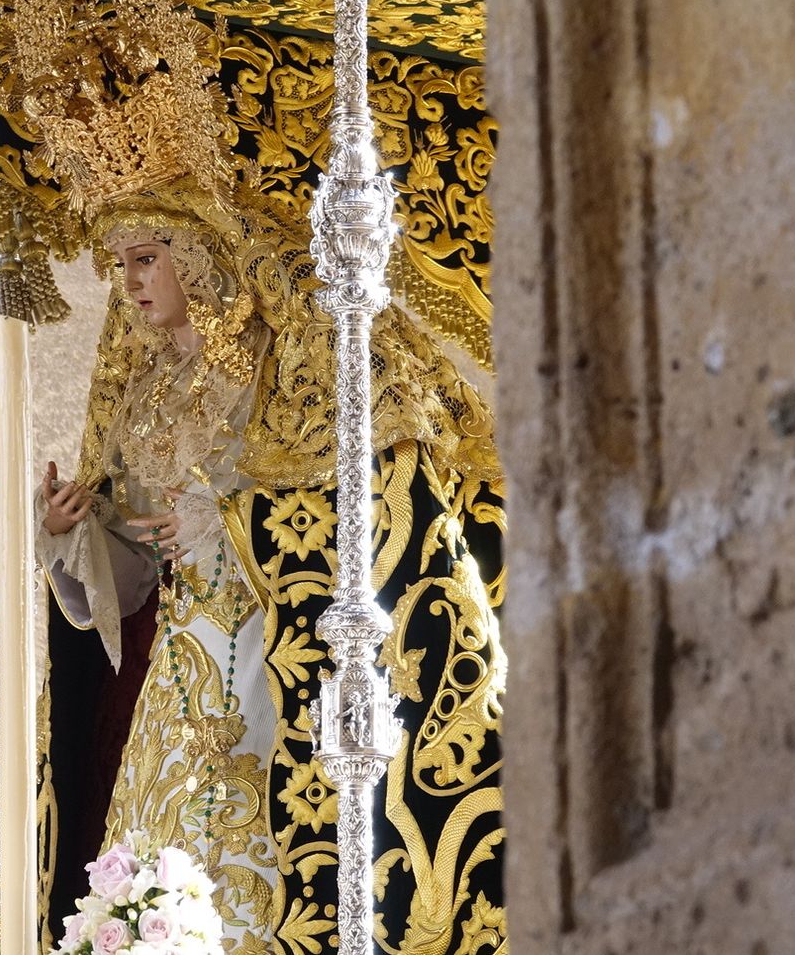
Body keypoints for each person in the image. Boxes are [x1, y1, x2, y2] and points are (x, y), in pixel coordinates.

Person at [35, 202, 508, 955]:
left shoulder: (280, 366)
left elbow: (342, 513)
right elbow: (132, 580)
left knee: (265, 845)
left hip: (270, 650)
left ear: (197, 255)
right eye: (121, 264)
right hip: (179, 663)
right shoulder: (143, 393)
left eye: (147, 258)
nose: (130, 283)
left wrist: (227, 519)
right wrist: (70, 533)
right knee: (158, 846)